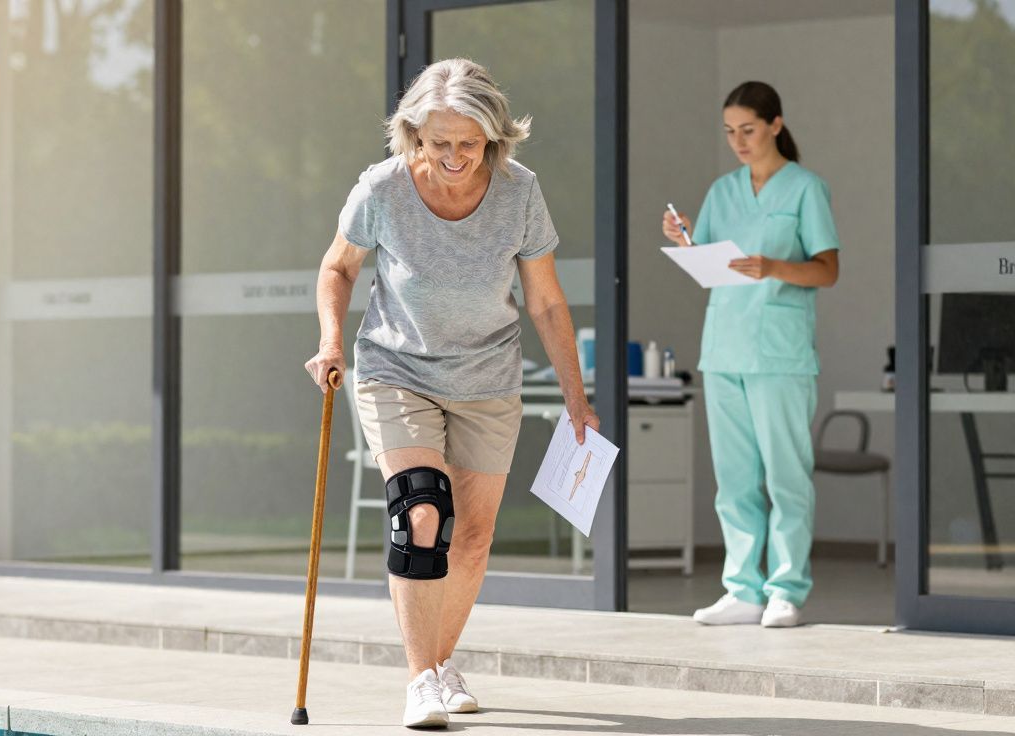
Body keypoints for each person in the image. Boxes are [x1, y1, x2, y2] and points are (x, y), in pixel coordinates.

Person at [304, 58, 598, 729]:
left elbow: (547, 303)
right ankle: (418, 682)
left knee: (471, 539)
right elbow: (338, 266)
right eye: (441, 144)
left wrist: (576, 400)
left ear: (495, 138)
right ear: (414, 135)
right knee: (421, 512)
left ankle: (437, 667)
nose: (456, 156)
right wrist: (329, 341)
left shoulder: (519, 193)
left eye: (470, 143)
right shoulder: (383, 189)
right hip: (397, 370)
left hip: (487, 378)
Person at [661, 81, 840, 629]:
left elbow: (827, 270)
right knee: (734, 478)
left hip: (780, 356)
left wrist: (775, 267)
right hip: (724, 351)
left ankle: (786, 588)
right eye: (730, 132)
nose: (738, 140)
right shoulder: (723, 191)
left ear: (775, 125)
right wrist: (684, 239)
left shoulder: (807, 189)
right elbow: (710, 261)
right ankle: (742, 589)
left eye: (748, 129)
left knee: (787, 475)